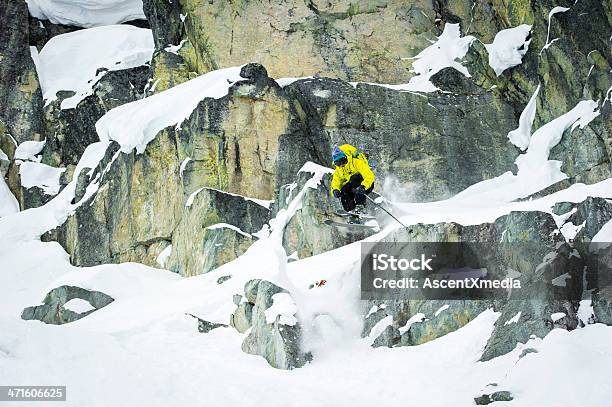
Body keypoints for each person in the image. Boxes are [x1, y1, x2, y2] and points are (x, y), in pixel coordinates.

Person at [330, 144, 375, 217]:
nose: (341, 165)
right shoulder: (339, 170)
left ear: (346, 158)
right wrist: (335, 190)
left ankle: (361, 207)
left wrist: (363, 186)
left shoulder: (356, 162)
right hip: (354, 188)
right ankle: (351, 211)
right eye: (338, 163)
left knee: (354, 178)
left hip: (365, 186)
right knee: (344, 189)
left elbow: (369, 175)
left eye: (342, 161)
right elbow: (335, 182)